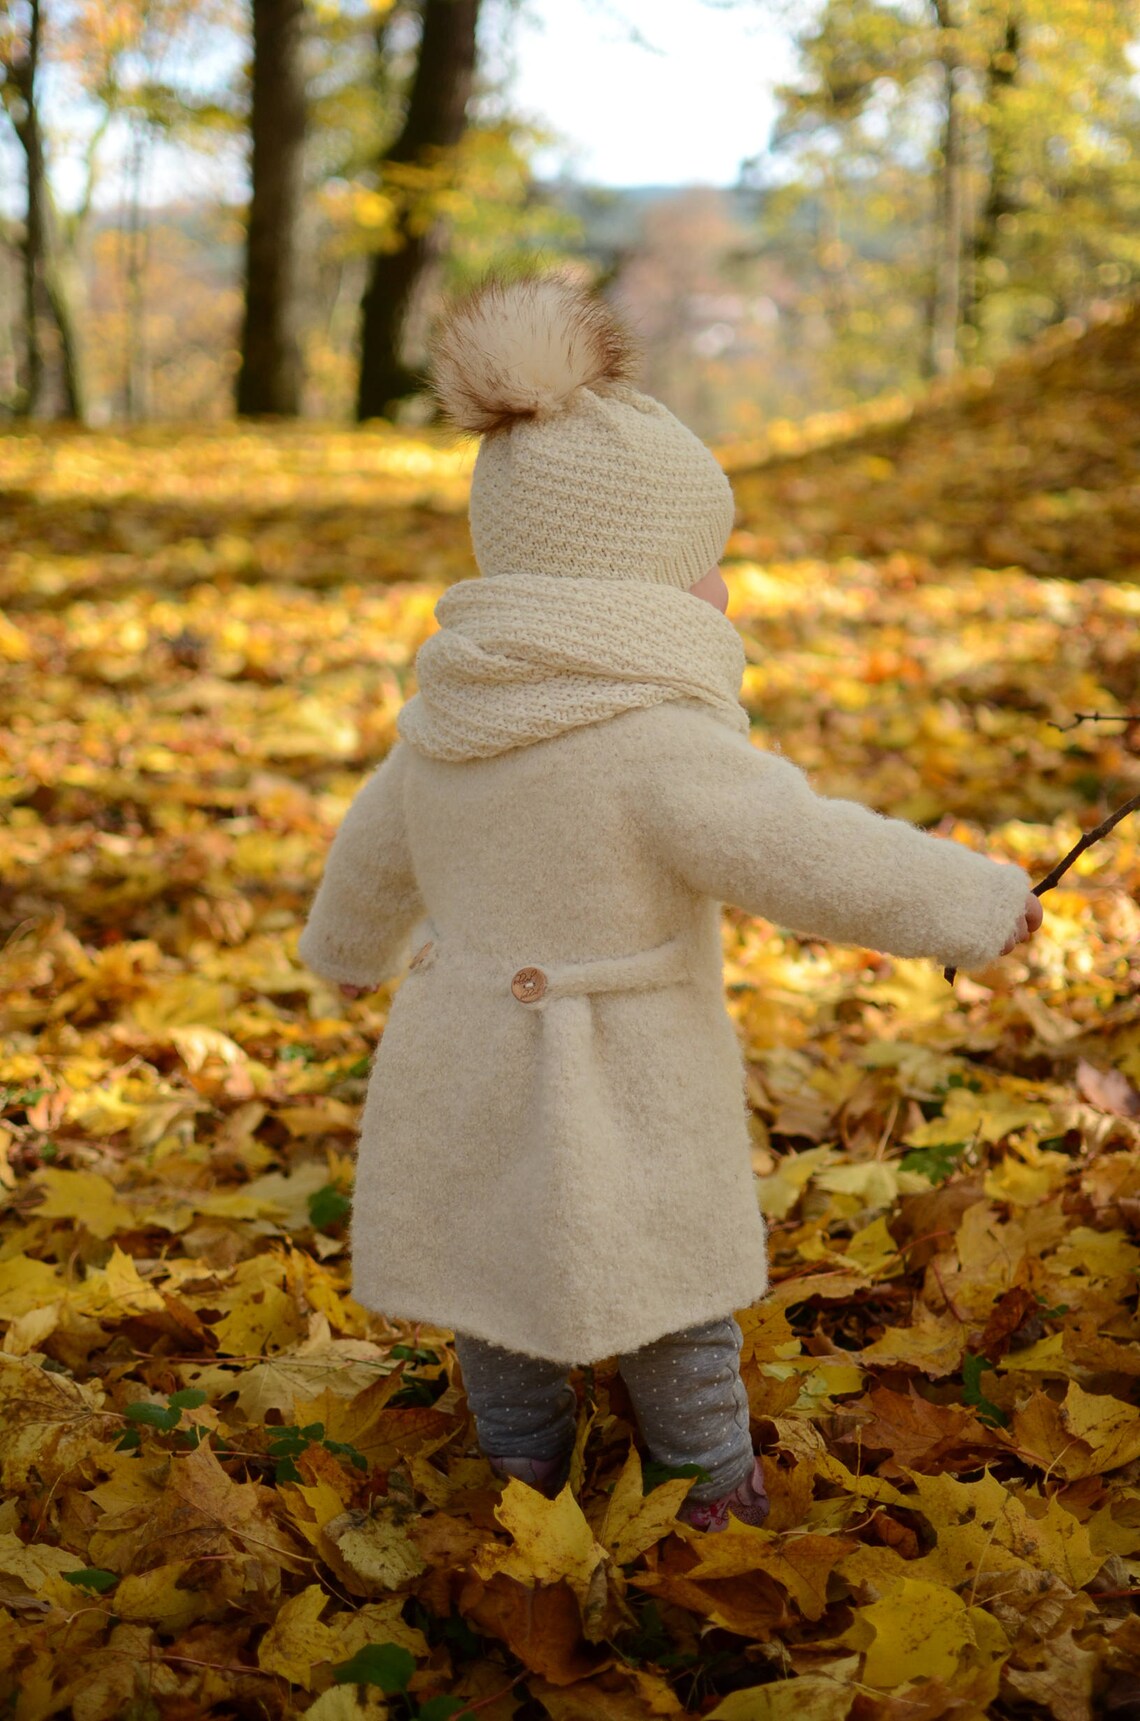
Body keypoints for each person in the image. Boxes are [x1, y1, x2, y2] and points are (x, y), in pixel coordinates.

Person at [298, 274, 1041, 1532]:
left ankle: (519, 1478)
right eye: (703, 569)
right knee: (672, 1296)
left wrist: (347, 952)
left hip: (464, 1051)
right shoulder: (655, 742)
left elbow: (375, 857)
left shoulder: (447, 718)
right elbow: (807, 853)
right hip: (623, 1070)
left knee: (496, 1280)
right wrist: (975, 901)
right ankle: (709, 1490)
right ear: (626, 582)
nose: (723, 595)